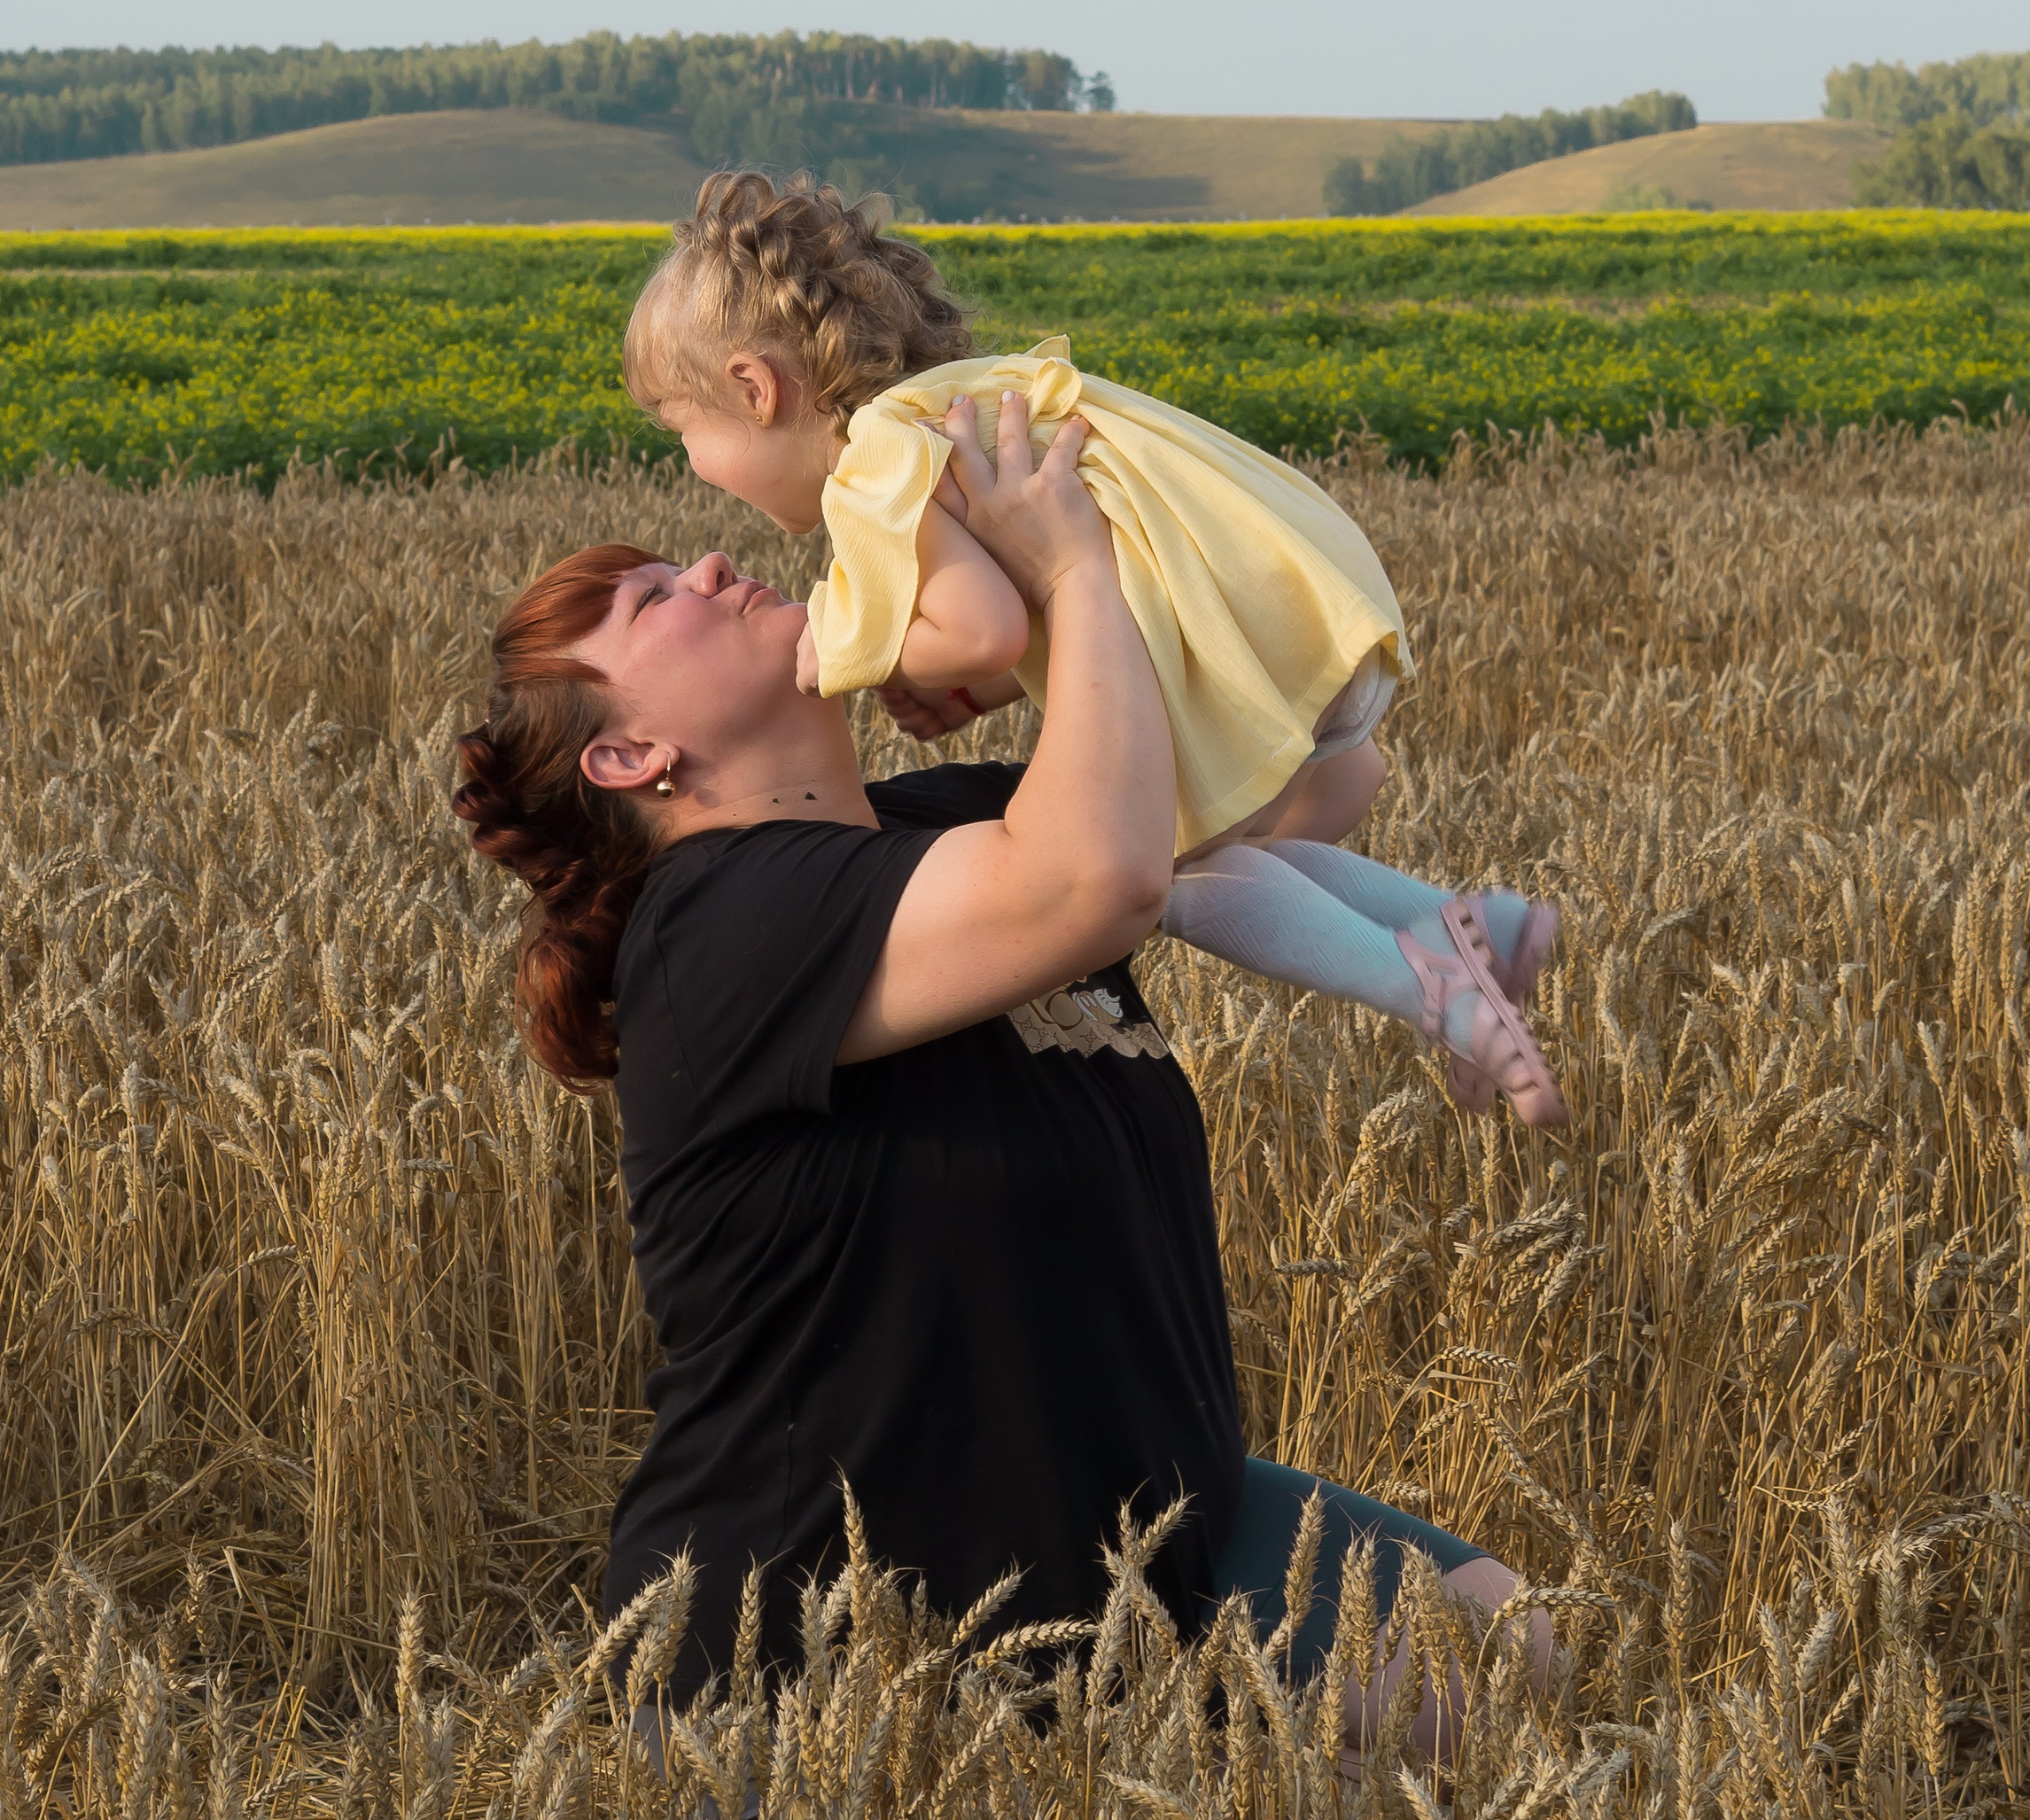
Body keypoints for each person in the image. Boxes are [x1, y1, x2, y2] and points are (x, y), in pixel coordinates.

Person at [451, 387, 1552, 1758]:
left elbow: (1295, 796)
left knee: (1499, 1641)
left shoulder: (943, 818)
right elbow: (1098, 880)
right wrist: (1069, 565)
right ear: (633, 757)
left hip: (1137, 1552)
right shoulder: (718, 925)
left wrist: (1133, 571)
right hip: (832, 1652)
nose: (720, 563)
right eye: (658, 598)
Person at [619, 171, 1567, 1128]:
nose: (690, 464)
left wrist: (849, 642)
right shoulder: (937, 408)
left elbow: (982, 625)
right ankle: (1460, 918)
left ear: (753, 386)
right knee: (1211, 849)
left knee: (1178, 879)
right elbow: (1015, 612)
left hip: (1229, 648)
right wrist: (984, 685)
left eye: (679, 429)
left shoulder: (869, 464)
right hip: (1285, 614)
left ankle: (1430, 990)